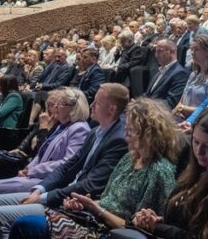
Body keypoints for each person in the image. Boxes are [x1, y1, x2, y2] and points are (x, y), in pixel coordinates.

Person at [13, 98, 179, 239]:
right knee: (26, 223)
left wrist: (96, 209)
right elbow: (107, 199)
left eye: (131, 130)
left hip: (113, 232)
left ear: (149, 134)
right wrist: (84, 204)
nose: (125, 134)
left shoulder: (159, 171)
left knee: (27, 225)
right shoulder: (129, 158)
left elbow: (139, 228)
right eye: (126, 128)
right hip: (94, 219)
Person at [0, 84, 130, 239]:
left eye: (96, 103)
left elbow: (90, 184)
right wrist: (40, 190)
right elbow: (66, 166)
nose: (91, 105)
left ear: (111, 110)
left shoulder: (117, 140)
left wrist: (44, 196)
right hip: (60, 193)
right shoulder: (95, 132)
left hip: (72, 203)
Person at [129, 106, 208, 239]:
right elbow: (179, 221)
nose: (199, 152)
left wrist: (159, 228)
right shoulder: (193, 168)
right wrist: (153, 220)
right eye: (195, 142)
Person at [0, 88, 91, 206]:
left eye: (61, 104)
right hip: (35, 175)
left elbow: (66, 164)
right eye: (54, 104)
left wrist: (33, 171)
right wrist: (28, 168)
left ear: (74, 108)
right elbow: (41, 153)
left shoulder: (79, 129)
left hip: (48, 181)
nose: (55, 107)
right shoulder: (62, 126)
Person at [172, 35, 208, 121]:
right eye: (191, 49)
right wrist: (176, 111)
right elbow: (181, 100)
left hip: (199, 122)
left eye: (196, 49)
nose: (192, 52)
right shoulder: (194, 74)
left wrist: (183, 108)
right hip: (182, 118)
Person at [144, 40, 189, 108]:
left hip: (158, 114)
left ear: (172, 51)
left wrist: (144, 106)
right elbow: (148, 94)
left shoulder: (180, 74)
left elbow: (171, 102)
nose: (156, 55)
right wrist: (137, 102)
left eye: (159, 51)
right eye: (156, 52)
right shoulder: (159, 71)